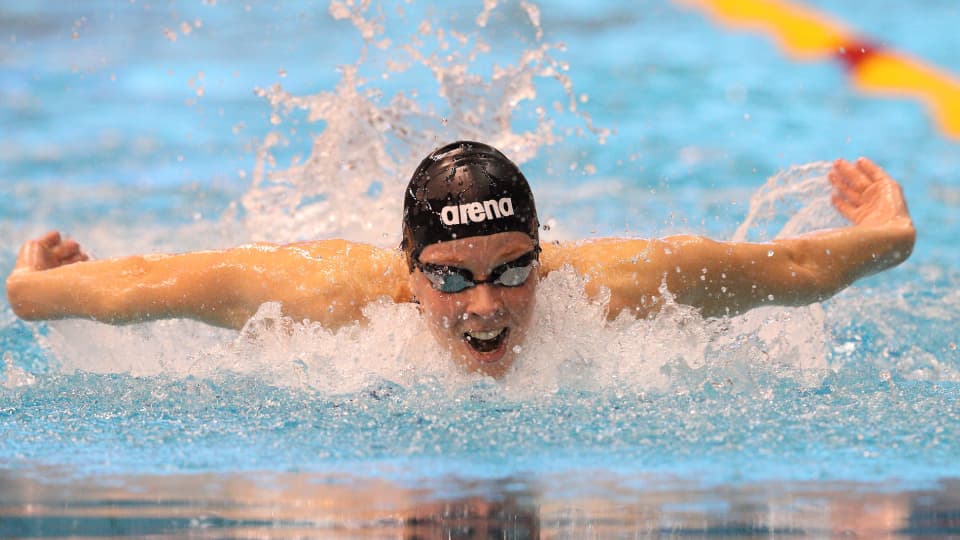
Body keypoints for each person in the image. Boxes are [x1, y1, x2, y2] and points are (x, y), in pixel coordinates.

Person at [5, 141, 915, 377]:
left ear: (542, 252)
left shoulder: (611, 288)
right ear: (407, 270)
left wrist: (886, 231)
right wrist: (40, 285)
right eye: (448, 277)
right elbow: (140, 288)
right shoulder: (317, 296)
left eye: (513, 269)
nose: (486, 306)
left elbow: (796, 268)